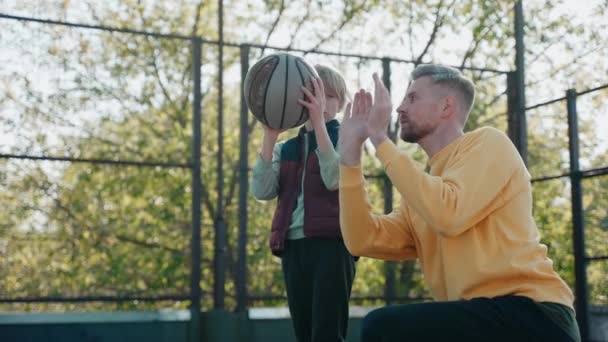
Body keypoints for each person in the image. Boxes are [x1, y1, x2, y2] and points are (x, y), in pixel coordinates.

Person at [337, 64, 580, 342]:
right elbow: (362, 239)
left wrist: (380, 138)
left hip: (535, 315)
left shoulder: (488, 144)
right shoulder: (423, 192)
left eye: (412, 98)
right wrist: (350, 157)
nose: (400, 108)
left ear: (446, 107)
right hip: (480, 320)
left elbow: (448, 214)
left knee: (383, 327)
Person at [251, 64, 356, 342]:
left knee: (327, 332)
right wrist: (270, 135)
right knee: (304, 331)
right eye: (314, 93)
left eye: (329, 96)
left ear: (341, 103)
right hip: (294, 246)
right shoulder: (286, 148)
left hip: (333, 244)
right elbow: (262, 191)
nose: (321, 102)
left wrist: (319, 124)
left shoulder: (347, 137)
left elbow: (334, 179)